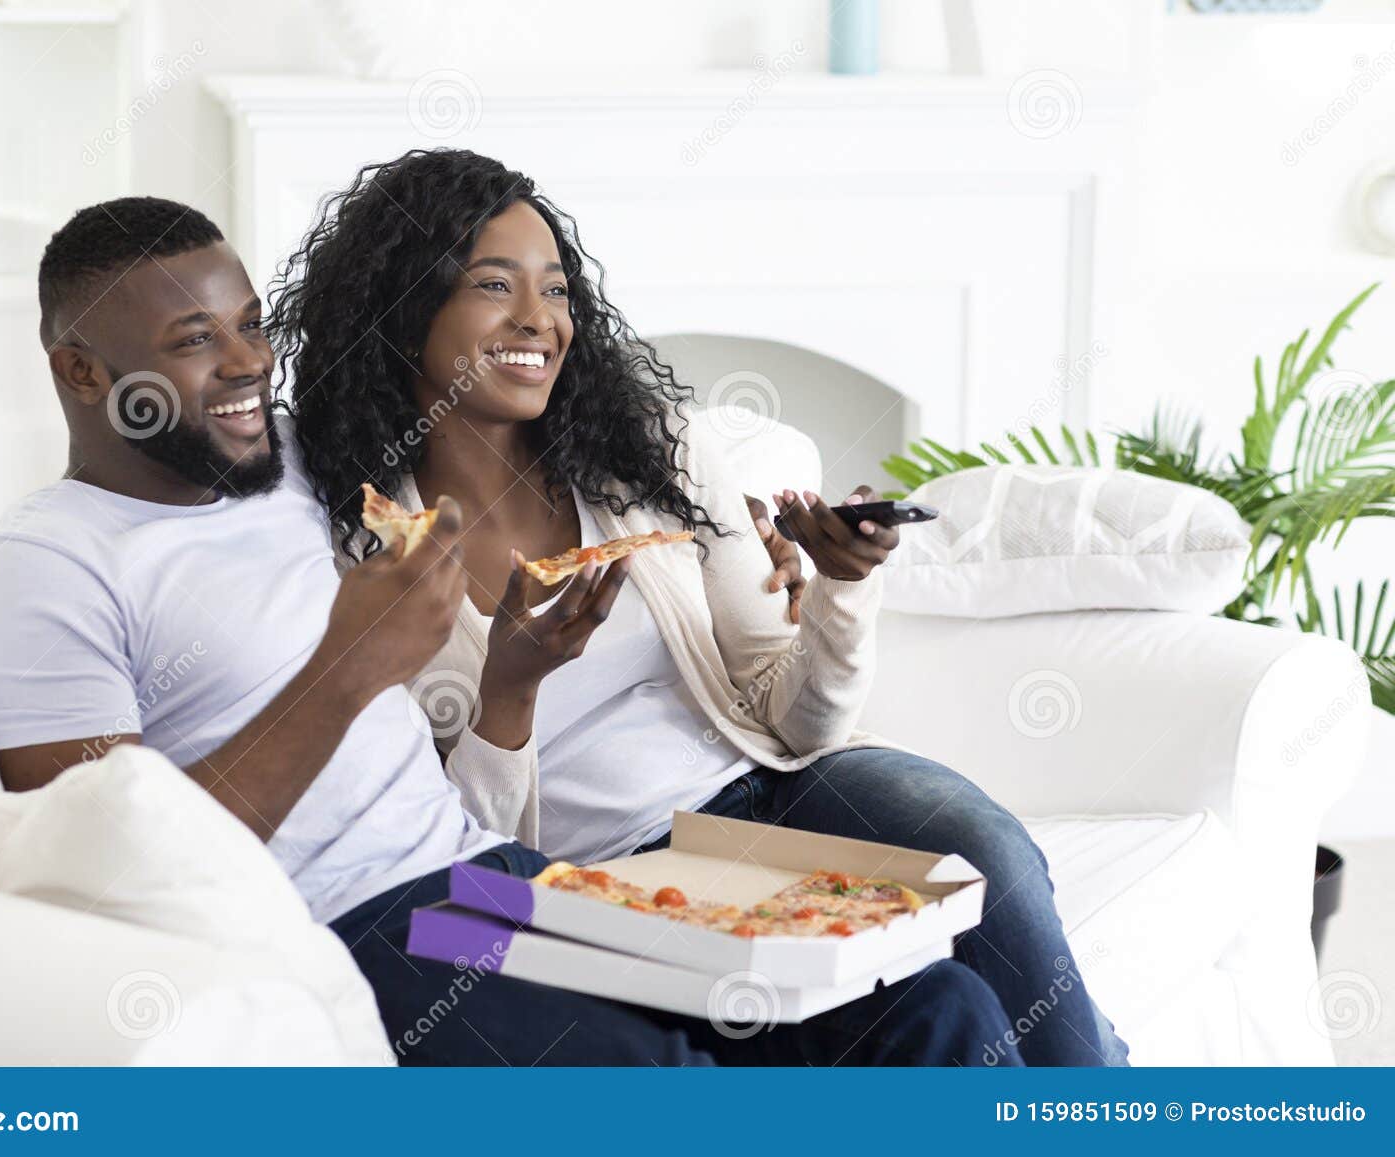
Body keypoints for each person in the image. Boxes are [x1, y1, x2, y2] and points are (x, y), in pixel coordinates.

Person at [0, 195, 1019, 1067]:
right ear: (80, 371)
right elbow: (104, 861)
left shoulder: (299, 468)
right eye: (193, 340)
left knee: (935, 1011)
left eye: (251, 325)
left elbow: (459, 395)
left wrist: (741, 547)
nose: (245, 365)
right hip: (359, 923)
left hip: (492, 879)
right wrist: (347, 667)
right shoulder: (40, 571)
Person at [271, 150, 1127, 1066]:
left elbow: (791, 716)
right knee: (925, 1004)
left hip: (774, 786)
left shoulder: (645, 449)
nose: (539, 320)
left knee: (981, 852)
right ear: (406, 309)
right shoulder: (356, 546)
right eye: (494, 284)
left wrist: (841, 586)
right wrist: (508, 692)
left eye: (557, 290)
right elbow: (454, 856)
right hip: (597, 866)